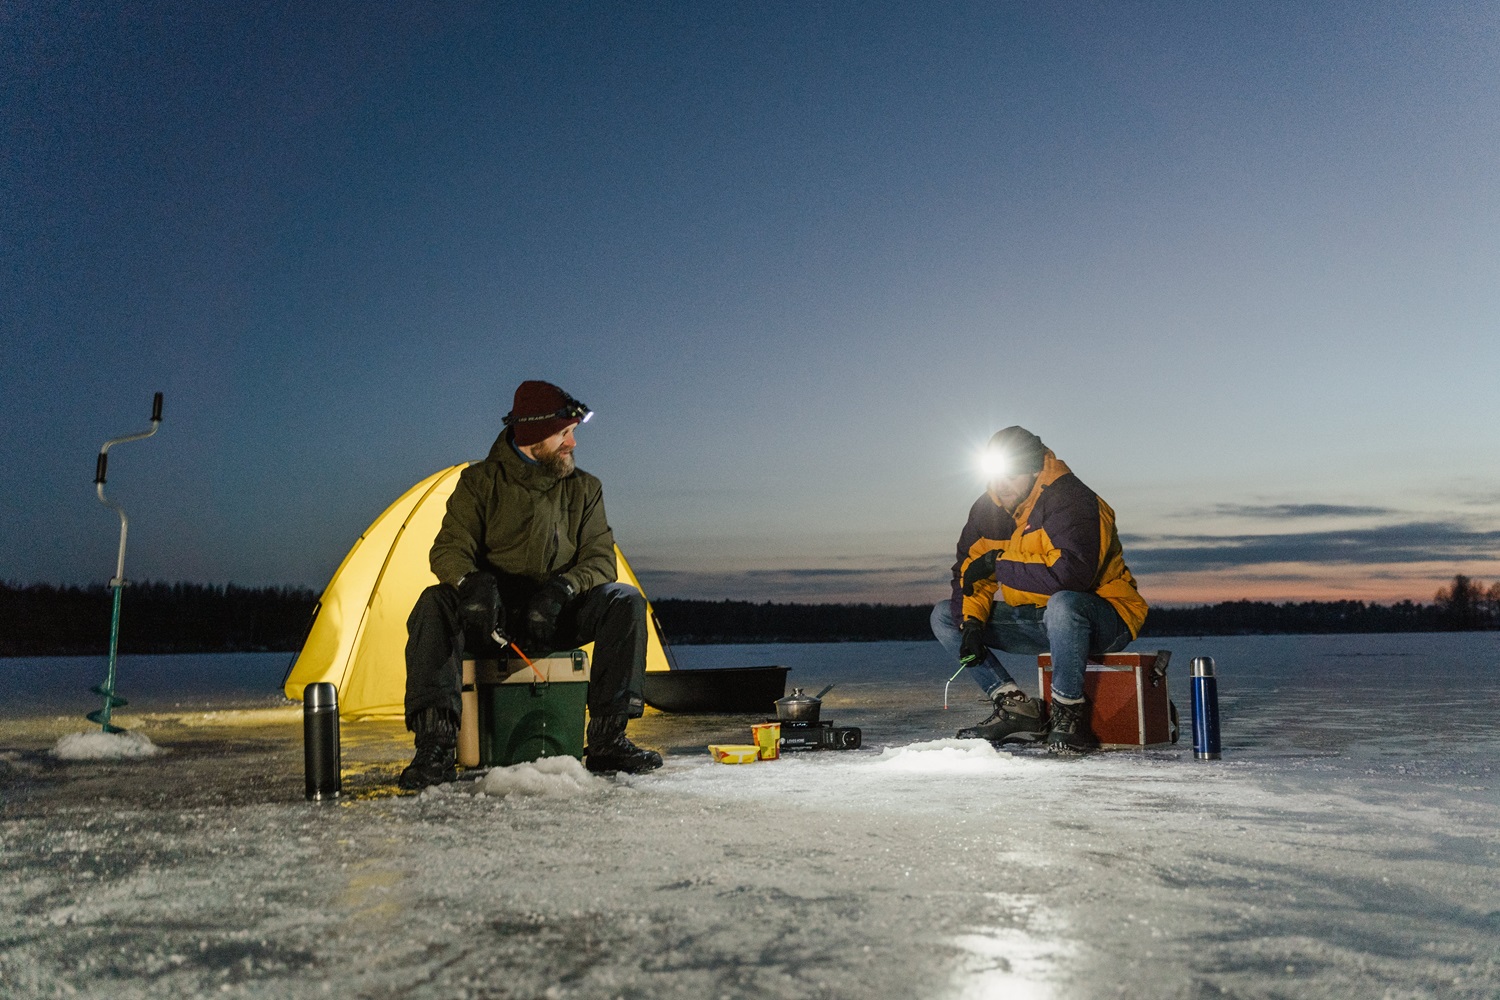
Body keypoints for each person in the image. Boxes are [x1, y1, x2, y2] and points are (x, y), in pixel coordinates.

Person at [399, 380, 662, 789]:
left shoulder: (585, 488)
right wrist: (471, 584)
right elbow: (448, 549)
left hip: (555, 613)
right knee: (434, 603)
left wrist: (564, 589)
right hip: (493, 620)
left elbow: (600, 559)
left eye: (573, 432)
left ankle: (610, 739)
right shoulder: (479, 483)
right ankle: (435, 746)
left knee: (624, 601)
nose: (572, 443)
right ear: (535, 435)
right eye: (564, 433)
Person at [930, 426, 1148, 752]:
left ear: (1034, 469)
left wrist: (999, 564)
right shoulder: (987, 510)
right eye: (996, 475)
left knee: (1063, 604)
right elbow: (970, 572)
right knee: (945, 616)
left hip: (1103, 615)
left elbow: (1071, 577)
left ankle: (1068, 712)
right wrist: (972, 624)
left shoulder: (1070, 499)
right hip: (1039, 620)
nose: (1001, 486)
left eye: (1012, 475)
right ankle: (1015, 707)